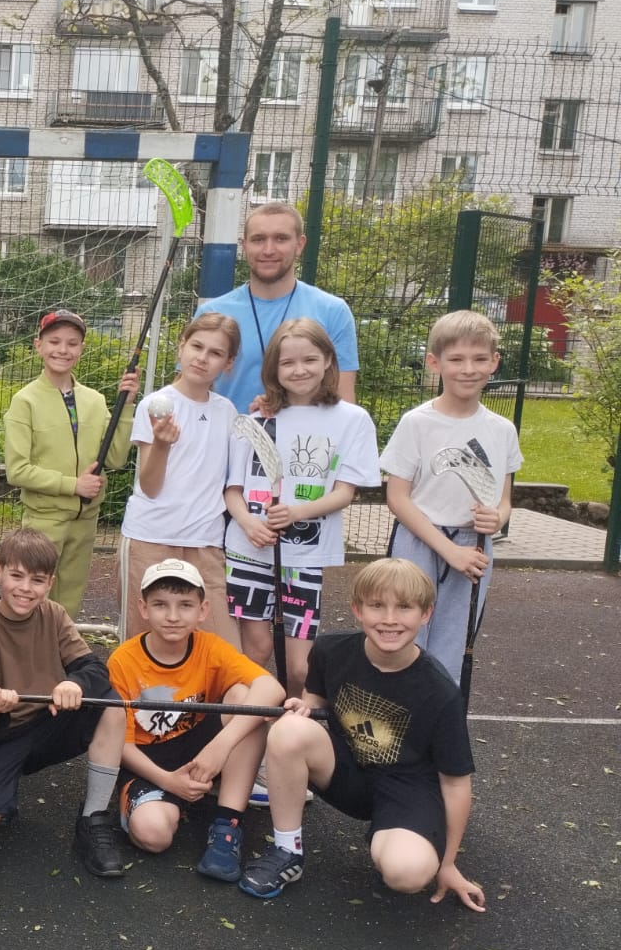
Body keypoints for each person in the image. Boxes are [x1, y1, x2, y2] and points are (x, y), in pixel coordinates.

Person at [238, 559, 485, 910]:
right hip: (350, 773)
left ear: (426, 614)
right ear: (357, 609)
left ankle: (400, 838)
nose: (389, 619)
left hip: (408, 790)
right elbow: (314, 699)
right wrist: (303, 707)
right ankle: (287, 851)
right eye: (377, 605)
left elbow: (456, 783)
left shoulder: (441, 692)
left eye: (404, 607)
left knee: (406, 873)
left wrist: (448, 863)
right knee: (289, 728)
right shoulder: (330, 650)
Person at [0, 530, 129, 879]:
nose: (25, 588)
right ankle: (3, 789)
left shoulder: (53, 614)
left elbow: (95, 669)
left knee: (110, 703)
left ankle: (93, 819)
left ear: (50, 583)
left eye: (37, 580)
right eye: (17, 576)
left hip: (48, 724)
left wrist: (73, 683)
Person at [224, 318, 380, 699]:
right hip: (247, 550)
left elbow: (344, 493)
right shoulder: (257, 419)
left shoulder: (352, 419)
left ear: (328, 360)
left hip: (306, 555)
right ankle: (250, 727)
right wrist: (247, 522)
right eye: (287, 363)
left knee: (298, 667)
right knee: (255, 651)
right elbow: (233, 489)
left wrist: (296, 513)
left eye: (309, 359)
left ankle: (289, 726)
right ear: (273, 368)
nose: (299, 370)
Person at [111, 559, 284, 882]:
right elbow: (118, 744)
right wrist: (168, 781)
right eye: (160, 604)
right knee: (153, 835)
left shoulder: (211, 647)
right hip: (150, 761)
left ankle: (227, 824)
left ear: (203, 610)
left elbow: (272, 688)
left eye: (185, 605)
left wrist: (220, 748)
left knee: (246, 697)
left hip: (202, 747)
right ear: (143, 608)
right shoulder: (123, 661)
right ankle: (172, 797)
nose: (173, 616)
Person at [380, 310, 520, 684]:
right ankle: (400, 713)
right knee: (402, 635)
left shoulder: (502, 430)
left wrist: (498, 518)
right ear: (435, 362)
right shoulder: (417, 422)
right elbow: (397, 498)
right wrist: (448, 550)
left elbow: (504, 499)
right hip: (419, 540)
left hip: (474, 547)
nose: (468, 369)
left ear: (494, 362)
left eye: (479, 359)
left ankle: (442, 716)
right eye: (456, 359)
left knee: (454, 645)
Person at [119, 312, 243, 647]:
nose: (202, 358)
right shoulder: (155, 405)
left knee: (221, 647)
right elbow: (150, 486)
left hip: (205, 541)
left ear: (228, 363)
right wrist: (162, 444)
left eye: (215, 353)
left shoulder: (227, 411)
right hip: (150, 538)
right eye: (196, 346)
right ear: (181, 346)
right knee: (144, 643)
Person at [4, 309, 139, 616]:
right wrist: (73, 485)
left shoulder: (95, 400)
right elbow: (17, 470)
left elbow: (115, 458)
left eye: (72, 343)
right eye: (54, 342)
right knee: (31, 600)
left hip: (85, 520)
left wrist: (127, 406)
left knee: (68, 607)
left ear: (81, 348)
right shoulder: (25, 401)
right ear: (38, 345)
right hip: (44, 521)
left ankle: (60, 648)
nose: (63, 350)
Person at [195, 202, 359, 413]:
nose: (268, 250)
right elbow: (189, 394)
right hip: (226, 433)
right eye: (258, 239)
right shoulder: (212, 313)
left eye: (281, 239)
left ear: (299, 245)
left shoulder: (332, 312)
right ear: (244, 246)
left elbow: (343, 403)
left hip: (303, 435)